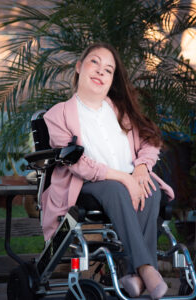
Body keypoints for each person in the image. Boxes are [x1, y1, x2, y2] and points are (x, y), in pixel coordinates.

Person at [42, 42, 174, 299]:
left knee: (152, 190)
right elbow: (76, 163)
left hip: (128, 179)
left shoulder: (120, 112)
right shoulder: (57, 115)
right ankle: (147, 268)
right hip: (88, 185)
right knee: (116, 189)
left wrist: (142, 168)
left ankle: (134, 276)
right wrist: (124, 177)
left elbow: (149, 142)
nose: (101, 71)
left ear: (112, 79)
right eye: (95, 63)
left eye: (108, 69)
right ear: (79, 67)